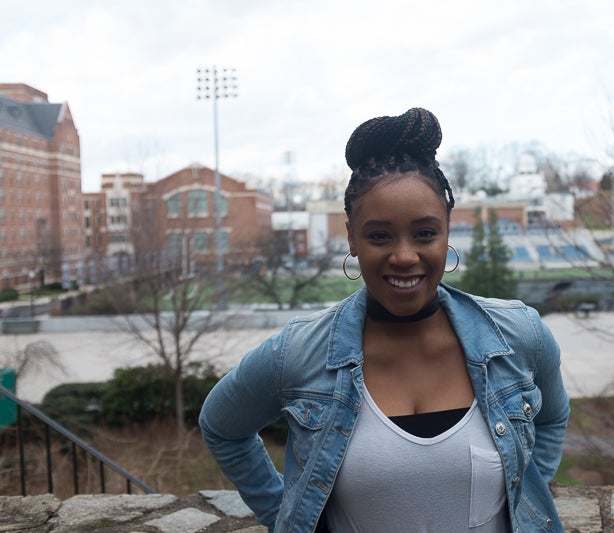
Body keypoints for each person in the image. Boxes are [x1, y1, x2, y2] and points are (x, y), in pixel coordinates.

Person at [200, 108, 570, 532]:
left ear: (447, 231)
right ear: (352, 237)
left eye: (425, 233)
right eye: (379, 236)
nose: (405, 256)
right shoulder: (298, 353)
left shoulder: (519, 335)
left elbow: (553, 417)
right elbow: (221, 427)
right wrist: (284, 514)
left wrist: (527, 497)